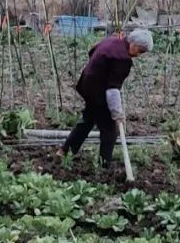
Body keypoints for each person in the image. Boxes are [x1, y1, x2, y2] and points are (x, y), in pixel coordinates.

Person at [57, 28, 153, 170]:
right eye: (140, 51)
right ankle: (104, 165)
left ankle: (64, 150)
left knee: (88, 121)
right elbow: (112, 89)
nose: (138, 55)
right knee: (110, 129)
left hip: (87, 85)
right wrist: (117, 113)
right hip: (98, 92)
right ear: (133, 44)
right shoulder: (122, 59)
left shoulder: (111, 41)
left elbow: (92, 51)